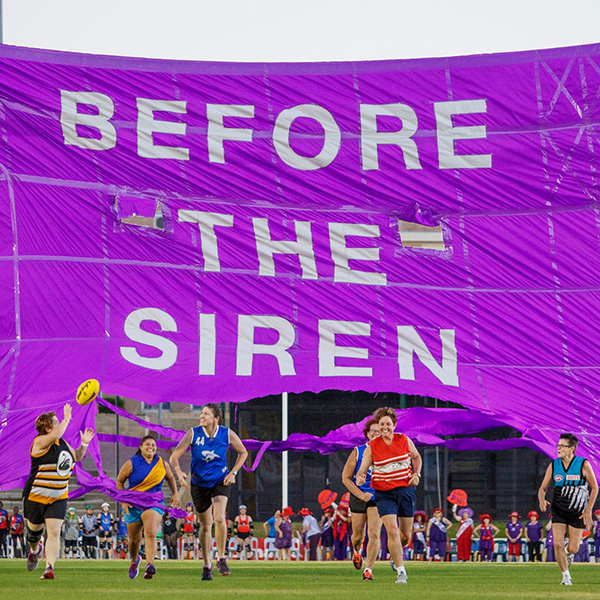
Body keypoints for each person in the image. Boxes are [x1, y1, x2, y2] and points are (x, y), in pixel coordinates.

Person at [170, 403, 248, 579]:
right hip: (199, 484)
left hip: (220, 481)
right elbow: (175, 456)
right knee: (206, 525)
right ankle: (207, 564)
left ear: (216, 418)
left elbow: (243, 453)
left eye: (205, 414)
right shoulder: (193, 433)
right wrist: (179, 473)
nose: (201, 416)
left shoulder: (226, 434)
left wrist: (233, 472)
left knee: (220, 517)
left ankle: (221, 557)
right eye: (201, 413)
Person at [22, 404, 94, 579]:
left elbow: (76, 457)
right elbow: (56, 433)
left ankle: (49, 567)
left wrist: (84, 443)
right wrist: (67, 418)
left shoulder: (63, 443)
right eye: (56, 422)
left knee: (54, 532)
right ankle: (34, 550)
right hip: (35, 496)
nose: (60, 423)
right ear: (47, 428)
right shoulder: (39, 442)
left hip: (58, 496)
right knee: (33, 534)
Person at [356, 406, 422, 584]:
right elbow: (362, 470)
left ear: (394, 425)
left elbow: (416, 458)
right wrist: (361, 478)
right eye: (382, 424)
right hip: (384, 493)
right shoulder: (372, 446)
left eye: (388, 424)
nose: (385, 428)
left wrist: (416, 474)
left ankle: (396, 554)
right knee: (392, 530)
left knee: (405, 535)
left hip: (405, 491)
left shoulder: (404, 440)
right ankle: (401, 572)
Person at [538, 433, 599, 586]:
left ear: (571, 448)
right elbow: (542, 488)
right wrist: (541, 499)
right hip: (558, 510)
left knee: (573, 548)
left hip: (577, 512)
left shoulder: (583, 464)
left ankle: (569, 552)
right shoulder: (554, 465)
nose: (558, 448)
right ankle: (566, 577)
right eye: (558, 445)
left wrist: (588, 510)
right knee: (557, 544)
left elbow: (594, 487)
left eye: (562, 446)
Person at [116, 434, 180, 580]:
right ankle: (134, 560)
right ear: (141, 447)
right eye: (148, 445)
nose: (151, 447)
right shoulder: (132, 463)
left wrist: (175, 493)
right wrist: (123, 500)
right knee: (133, 541)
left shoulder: (162, 463)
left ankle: (150, 565)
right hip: (133, 503)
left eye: (153, 445)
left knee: (151, 532)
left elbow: (170, 477)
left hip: (154, 502)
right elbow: (120, 481)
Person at [341, 416, 382, 580]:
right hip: (359, 496)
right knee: (358, 537)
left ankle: (369, 569)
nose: (376, 434)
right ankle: (357, 551)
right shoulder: (358, 451)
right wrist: (360, 494)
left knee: (374, 533)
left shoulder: (389, 452)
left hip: (378, 497)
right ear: (367, 434)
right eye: (373, 431)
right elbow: (345, 478)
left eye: (379, 432)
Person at [332, 494, 350, 561]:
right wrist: (335, 512)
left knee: (343, 546)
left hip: (344, 533)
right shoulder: (337, 516)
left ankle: (343, 557)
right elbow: (333, 519)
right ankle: (337, 557)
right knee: (337, 546)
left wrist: (340, 514)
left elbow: (345, 520)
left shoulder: (345, 516)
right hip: (337, 533)